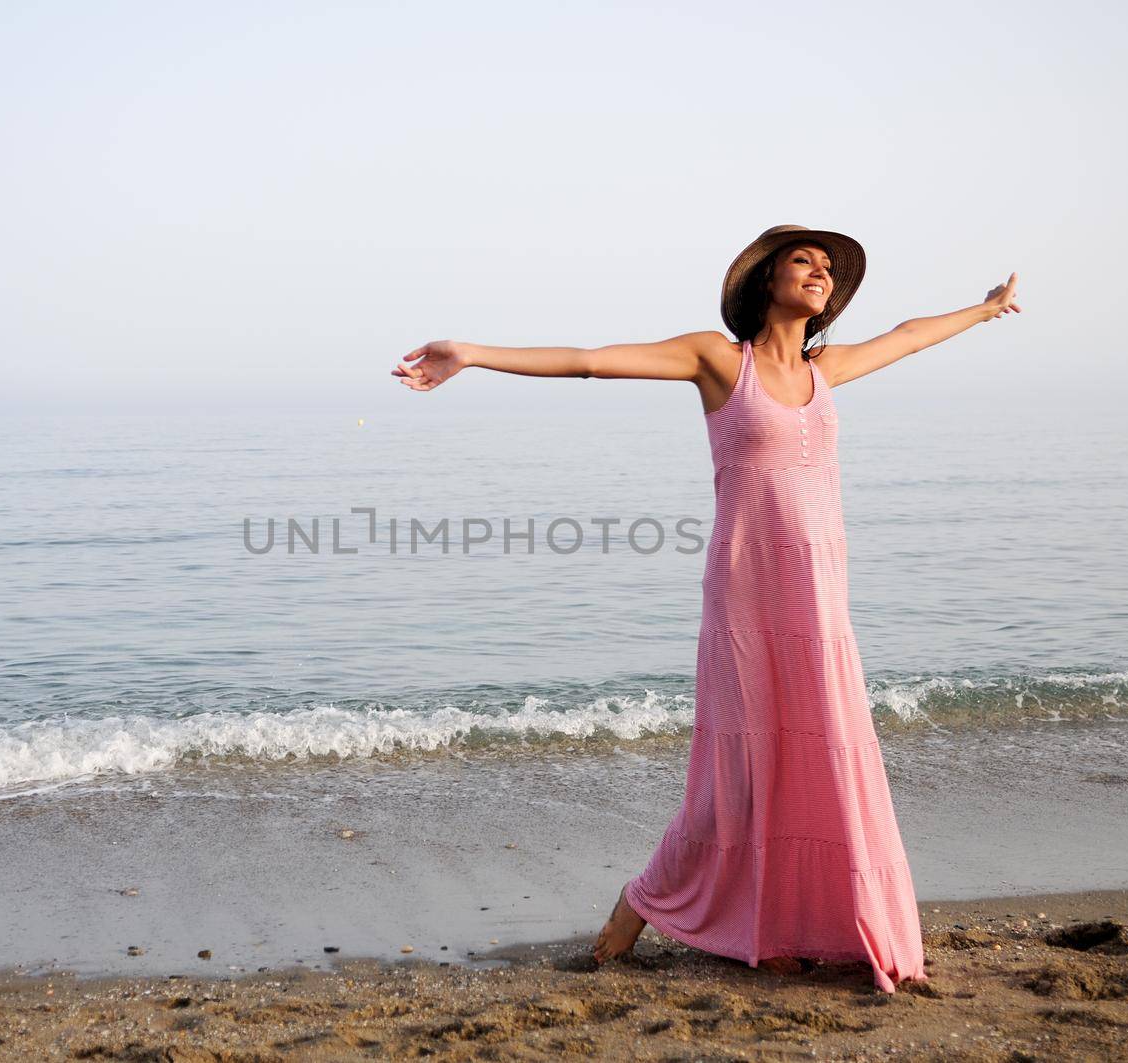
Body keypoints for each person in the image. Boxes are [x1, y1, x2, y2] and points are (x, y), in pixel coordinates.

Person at [391, 224, 1021, 994]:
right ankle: (644, 898)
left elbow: (912, 336)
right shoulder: (720, 361)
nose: (820, 271)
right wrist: (472, 351)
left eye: (828, 267)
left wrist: (985, 310)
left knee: (819, 752)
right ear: (767, 281)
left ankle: (783, 921)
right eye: (804, 260)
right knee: (743, 769)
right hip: (748, 595)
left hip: (820, 597)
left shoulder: (832, 370)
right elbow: (592, 362)